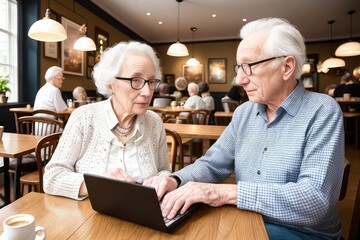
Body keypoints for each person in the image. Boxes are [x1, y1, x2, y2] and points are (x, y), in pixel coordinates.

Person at [144, 18, 345, 240]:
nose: (239, 79)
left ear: (286, 67)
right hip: (248, 219)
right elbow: (212, 164)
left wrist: (222, 193)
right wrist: (175, 180)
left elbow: (315, 201)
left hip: (304, 233)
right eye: (238, 67)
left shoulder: (322, 111)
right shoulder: (244, 113)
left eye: (249, 66)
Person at [43, 41, 171, 200]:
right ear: (110, 84)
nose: (147, 92)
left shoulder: (155, 123)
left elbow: (164, 170)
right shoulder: (83, 118)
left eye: (151, 81)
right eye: (135, 80)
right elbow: (52, 177)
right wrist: (97, 184)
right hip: (88, 219)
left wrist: (163, 179)